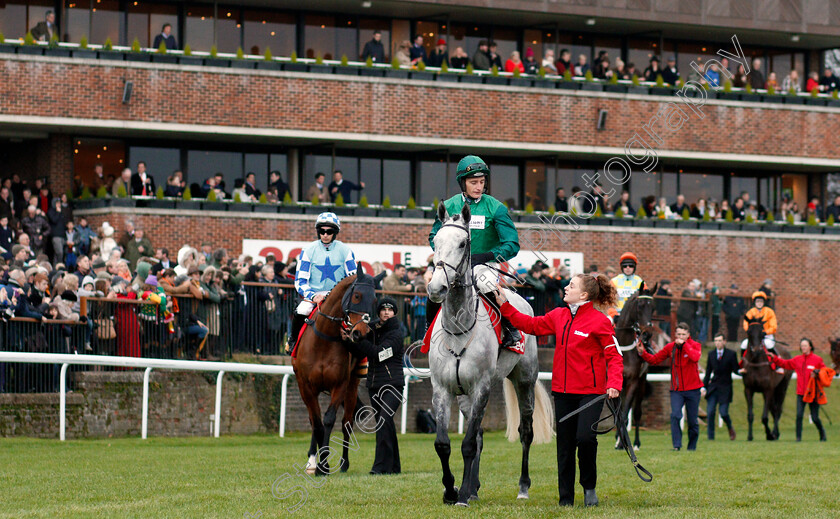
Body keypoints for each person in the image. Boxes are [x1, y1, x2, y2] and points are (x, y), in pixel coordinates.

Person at [494, 273, 622, 507]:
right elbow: (529, 325)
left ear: (583, 295)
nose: (565, 287)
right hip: (563, 392)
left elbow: (614, 356)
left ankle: (589, 488)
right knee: (564, 445)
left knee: (585, 439)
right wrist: (505, 305)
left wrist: (614, 383)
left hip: (591, 392)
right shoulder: (558, 315)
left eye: (571, 285)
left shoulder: (601, 321)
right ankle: (566, 499)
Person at [428, 155, 521, 348]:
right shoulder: (449, 205)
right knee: (435, 286)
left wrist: (487, 256)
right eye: (473, 182)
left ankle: (511, 330)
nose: (479, 187)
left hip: (485, 264)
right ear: (463, 183)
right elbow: (434, 237)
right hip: (452, 264)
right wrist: (446, 257)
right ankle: (429, 332)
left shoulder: (496, 208)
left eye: (481, 182)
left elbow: (512, 244)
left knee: (485, 284)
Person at [342, 297, 405, 474]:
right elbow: (360, 348)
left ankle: (380, 467)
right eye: (383, 309)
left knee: (383, 422)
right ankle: (394, 467)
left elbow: (377, 354)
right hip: (374, 385)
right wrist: (348, 340)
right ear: (378, 312)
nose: (386, 312)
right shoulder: (373, 331)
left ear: (395, 313)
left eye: (390, 310)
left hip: (393, 386)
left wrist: (359, 342)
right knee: (386, 424)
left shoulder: (396, 335)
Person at [289, 212, 358, 352]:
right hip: (315, 296)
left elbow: (353, 278)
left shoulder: (346, 251)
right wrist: (313, 296)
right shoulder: (308, 250)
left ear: (335, 232)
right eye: (322, 231)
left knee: (357, 317)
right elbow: (300, 281)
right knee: (302, 310)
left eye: (329, 231)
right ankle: (293, 341)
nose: (325, 235)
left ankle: (361, 356)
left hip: (339, 297)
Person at [637, 322, 703, 451]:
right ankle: (677, 446)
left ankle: (692, 447)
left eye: (683, 334)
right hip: (676, 390)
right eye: (678, 334)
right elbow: (655, 359)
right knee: (675, 415)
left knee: (693, 421)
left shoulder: (695, 345)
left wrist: (684, 346)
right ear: (675, 334)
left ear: (688, 335)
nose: (680, 336)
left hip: (693, 390)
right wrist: (642, 353)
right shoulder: (670, 347)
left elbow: (695, 357)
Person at [769, 338, 828, 441]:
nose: (803, 347)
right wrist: (774, 358)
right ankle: (798, 438)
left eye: (805, 345)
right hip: (801, 393)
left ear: (810, 347)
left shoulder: (817, 359)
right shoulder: (797, 359)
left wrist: (817, 372)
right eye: (802, 346)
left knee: (815, 417)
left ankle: (822, 432)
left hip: (813, 392)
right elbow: (785, 364)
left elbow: (825, 372)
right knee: (799, 415)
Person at [703, 334, 739, 440]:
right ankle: (711, 437)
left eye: (719, 340)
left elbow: (735, 369)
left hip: (726, 388)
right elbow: (708, 372)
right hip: (713, 387)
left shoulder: (731, 354)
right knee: (710, 412)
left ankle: (730, 428)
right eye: (715, 341)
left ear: (724, 341)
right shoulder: (711, 354)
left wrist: (742, 372)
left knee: (723, 413)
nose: (717, 343)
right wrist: (704, 387)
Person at [740, 291, 778, 364]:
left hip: (766, 335)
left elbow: (774, 326)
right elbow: (746, 324)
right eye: (757, 301)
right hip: (754, 336)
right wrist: (750, 332)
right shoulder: (750, 312)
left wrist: (765, 332)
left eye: (761, 301)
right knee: (744, 344)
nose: (759, 303)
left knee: (768, 344)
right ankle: (742, 363)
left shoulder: (770, 312)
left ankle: (776, 363)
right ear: (754, 302)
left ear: (764, 302)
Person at [610, 252, 644, 319]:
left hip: (634, 317)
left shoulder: (640, 282)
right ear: (622, 268)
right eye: (625, 266)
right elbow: (608, 301)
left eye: (630, 266)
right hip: (617, 316)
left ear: (634, 267)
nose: (628, 268)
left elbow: (644, 302)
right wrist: (613, 314)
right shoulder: (614, 281)